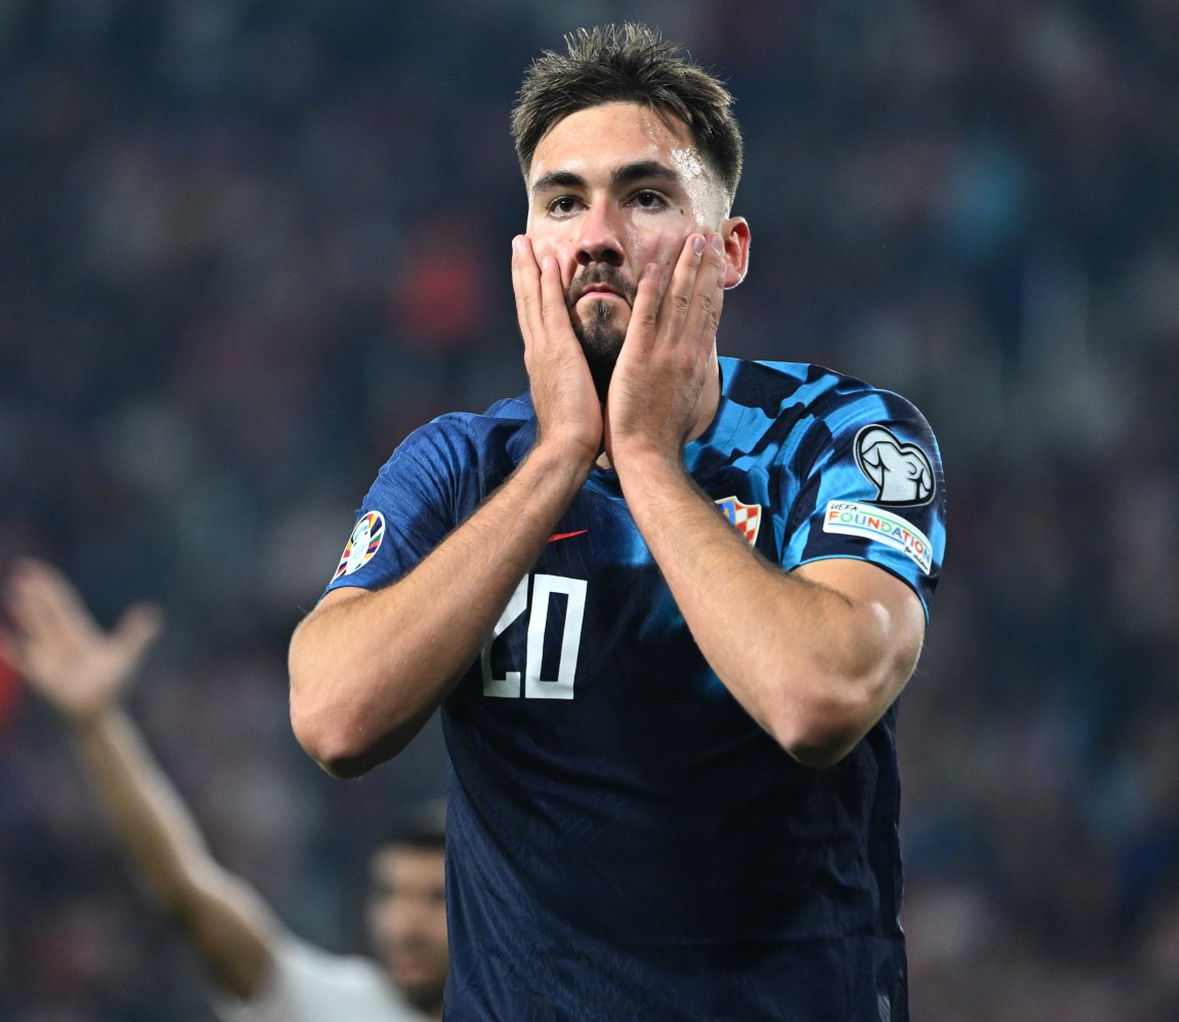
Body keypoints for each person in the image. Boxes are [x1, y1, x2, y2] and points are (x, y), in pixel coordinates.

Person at [288, 23, 946, 1022]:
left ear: (728, 251)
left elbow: (820, 698)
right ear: (528, 255)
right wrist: (561, 454)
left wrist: (641, 457)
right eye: (563, 202)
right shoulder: (459, 467)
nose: (597, 234)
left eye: (645, 196)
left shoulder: (839, 437)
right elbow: (335, 719)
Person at [0, 559, 448, 1021]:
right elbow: (185, 889)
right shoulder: (338, 1006)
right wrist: (97, 726)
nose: (406, 926)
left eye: (437, 900)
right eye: (391, 895)